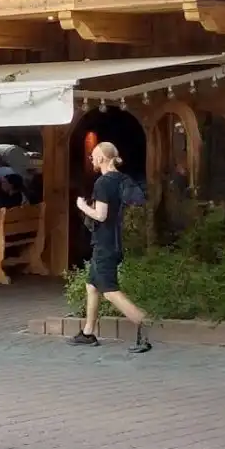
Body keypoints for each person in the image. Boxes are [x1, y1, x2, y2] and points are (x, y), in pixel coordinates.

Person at [71, 141, 151, 353]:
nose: (92, 159)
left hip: (104, 242)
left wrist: (82, 206)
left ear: (102, 158)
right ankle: (88, 332)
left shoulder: (103, 183)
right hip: (115, 240)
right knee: (92, 285)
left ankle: (145, 325)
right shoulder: (122, 179)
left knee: (110, 291)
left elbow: (100, 215)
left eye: (93, 156)